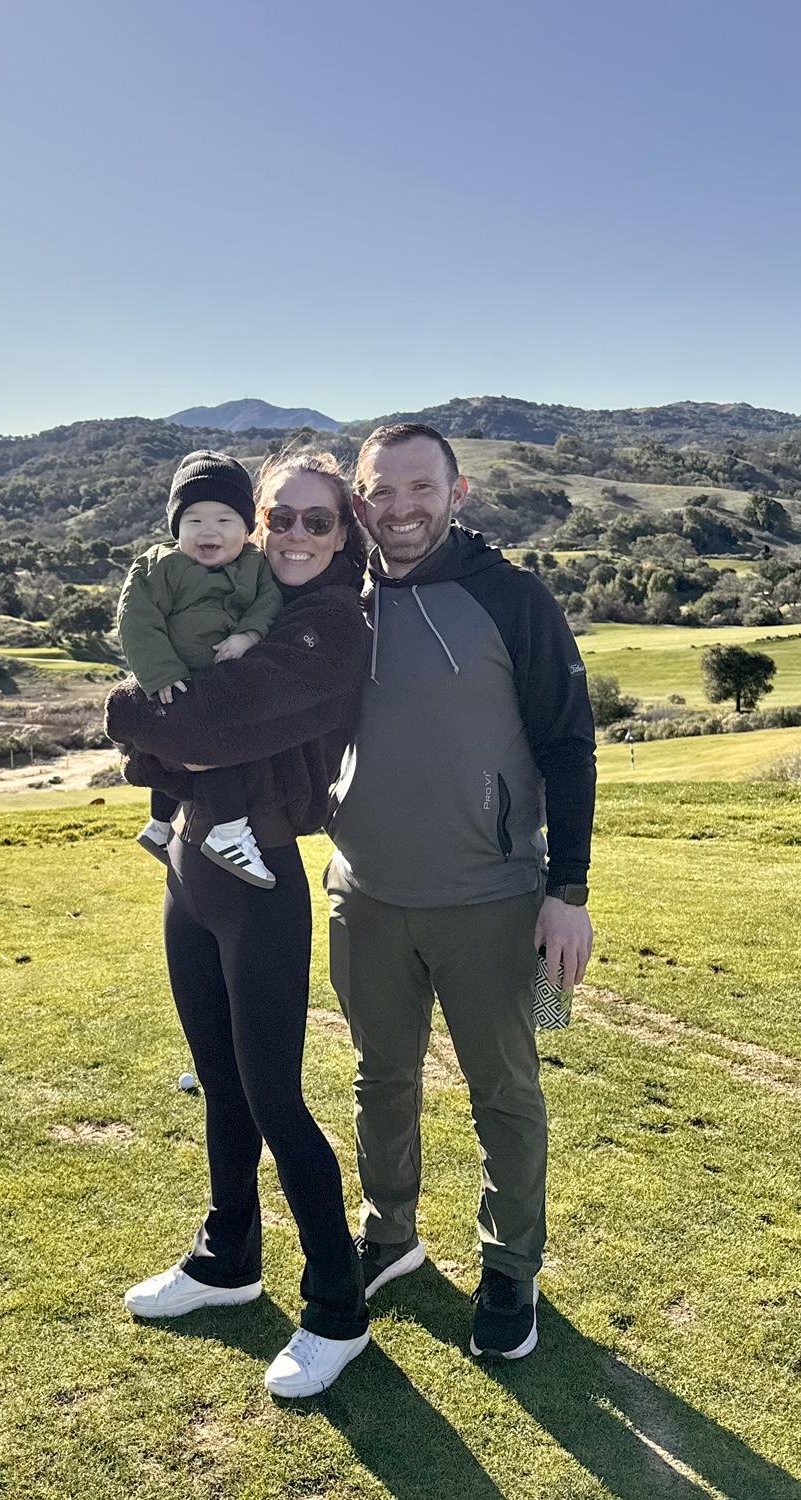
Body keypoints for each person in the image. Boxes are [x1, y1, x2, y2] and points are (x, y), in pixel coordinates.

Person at [325, 422, 596, 1362]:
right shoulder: (335, 594)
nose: (399, 508)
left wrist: (569, 890)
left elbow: (568, 744)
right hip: (364, 895)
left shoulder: (513, 598)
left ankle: (510, 1269)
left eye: (419, 488)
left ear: (459, 490)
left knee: (505, 1091)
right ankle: (389, 1237)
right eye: (381, 492)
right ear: (358, 500)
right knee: (380, 1078)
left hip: (492, 896)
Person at [105, 449, 372, 1398]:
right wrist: (157, 719)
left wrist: (126, 709)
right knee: (219, 1083)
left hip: (259, 880)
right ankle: (228, 1260)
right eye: (281, 518)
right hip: (191, 872)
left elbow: (196, 724)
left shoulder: (334, 624)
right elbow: (182, 718)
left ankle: (338, 1308)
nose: (296, 535)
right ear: (256, 524)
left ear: (345, 532)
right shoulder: (239, 596)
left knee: (273, 1099)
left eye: (318, 521)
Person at [116, 450, 283, 887]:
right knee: (212, 753)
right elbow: (137, 620)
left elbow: (269, 605)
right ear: (176, 527)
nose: (209, 531)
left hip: (220, 678)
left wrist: (248, 635)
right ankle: (228, 832)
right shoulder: (160, 566)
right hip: (176, 681)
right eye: (194, 521)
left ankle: (158, 828)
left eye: (224, 520)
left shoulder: (256, 566)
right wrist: (160, 673)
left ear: (248, 527)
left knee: (188, 755)